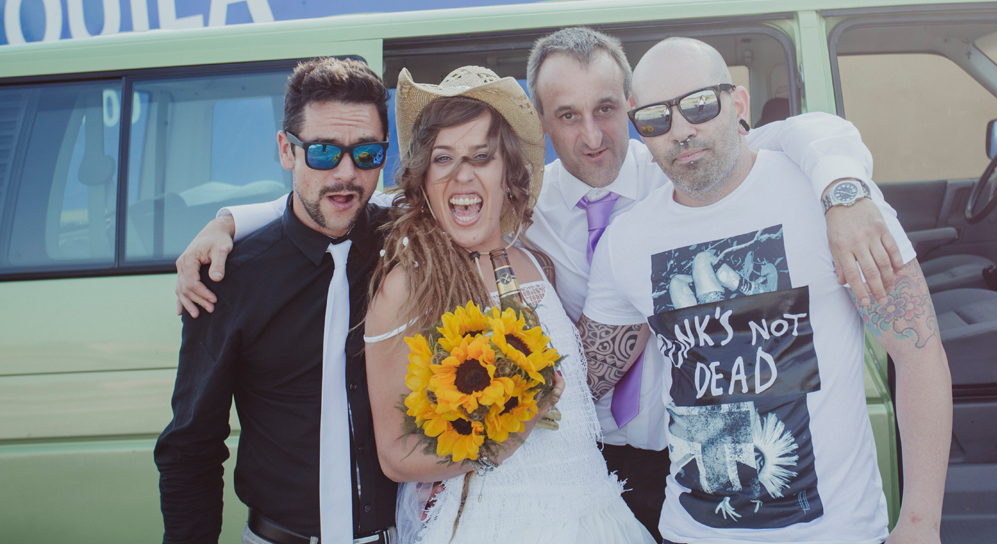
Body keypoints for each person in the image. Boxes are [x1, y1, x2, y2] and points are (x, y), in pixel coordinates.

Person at [175, 27, 905, 540]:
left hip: (641, 493)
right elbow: (340, 196)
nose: (591, 134)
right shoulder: (423, 263)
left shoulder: (666, 183)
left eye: (608, 110)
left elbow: (794, 136)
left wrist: (844, 187)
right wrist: (236, 219)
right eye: (444, 160)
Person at [577, 38, 953, 544]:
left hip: (833, 533)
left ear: (737, 105)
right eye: (655, 119)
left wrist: (920, 524)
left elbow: (918, 355)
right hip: (692, 533)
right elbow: (587, 379)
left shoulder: (831, 204)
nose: (681, 130)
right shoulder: (627, 241)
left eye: (699, 105)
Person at [364, 65, 654, 543]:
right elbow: (396, 456)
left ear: (507, 171)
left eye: (481, 156)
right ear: (424, 176)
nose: (462, 175)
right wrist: (505, 439)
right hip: (492, 525)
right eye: (444, 158)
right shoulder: (407, 283)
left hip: (595, 519)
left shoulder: (537, 261)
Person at [155, 58, 399, 544]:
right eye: (325, 152)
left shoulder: (408, 246)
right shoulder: (229, 275)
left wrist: (228, 216)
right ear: (287, 150)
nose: (346, 175)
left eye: (367, 154)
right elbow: (192, 446)